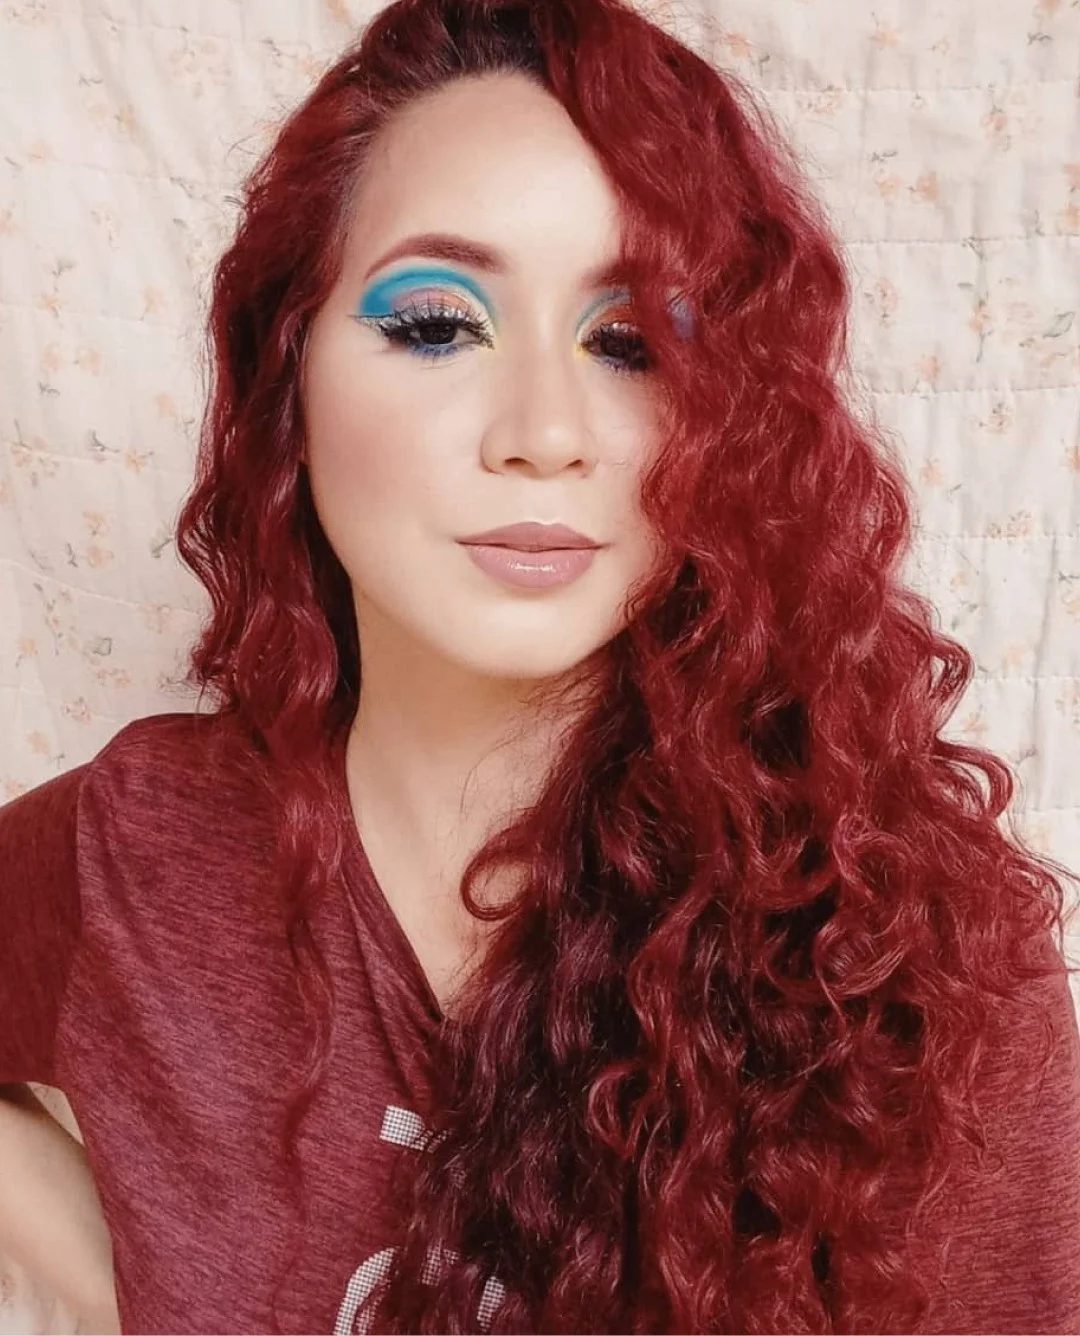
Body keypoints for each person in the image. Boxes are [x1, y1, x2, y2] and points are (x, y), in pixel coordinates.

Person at [2, 0, 1079, 1331]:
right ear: (288, 374)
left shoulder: (920, 962)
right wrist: (120, 1283)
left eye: (629, 343)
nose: (544, 431)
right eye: (437, 325)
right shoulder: (142, 846)